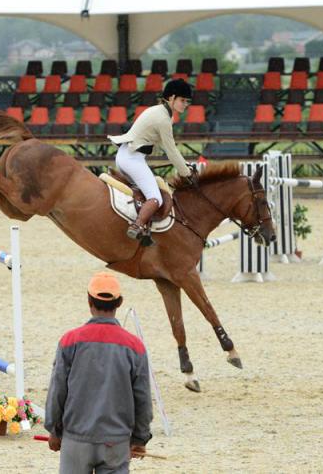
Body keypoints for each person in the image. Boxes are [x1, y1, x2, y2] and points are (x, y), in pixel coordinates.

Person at [45, 272, 153, 474]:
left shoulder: (70, 341)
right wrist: (140, 438)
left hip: (76, 438)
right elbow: (143, 397)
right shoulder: (134, 346)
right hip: (115, 442)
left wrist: (54, 429)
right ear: (119, 302)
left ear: (89, 301)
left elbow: (58, 389)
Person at [108, 78, 197, 244]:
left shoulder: (158, 111)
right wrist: (186, 173)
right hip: (132, 159)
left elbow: (168, 147)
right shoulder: (163, 119)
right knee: (156, 198)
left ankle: (145, 230)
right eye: (183, 100)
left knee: (143, 192)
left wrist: (185, 164)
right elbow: (171, 150)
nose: (186, 104)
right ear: (171, 98)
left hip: (126, 156)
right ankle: (137, 226)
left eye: (187, 101)